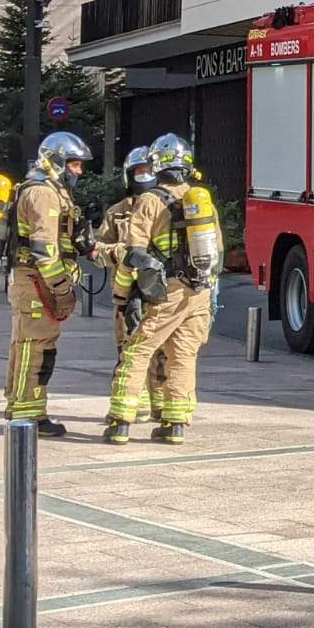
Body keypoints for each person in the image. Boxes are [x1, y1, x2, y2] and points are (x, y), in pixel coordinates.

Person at [104, 134, 223, 446]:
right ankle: (175, 425)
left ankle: (120, 423)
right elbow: (218, 251)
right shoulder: (200, 199)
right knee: (182, 356)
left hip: (166, 291)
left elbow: (133, 255)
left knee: (137, 350)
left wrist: (121, 295)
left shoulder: (149, 201)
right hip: (198, 291)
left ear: (157, 165)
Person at [4, 132, 91, 437]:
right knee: (36, 348)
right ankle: (30, 416)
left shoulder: (48, 189)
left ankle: (20, 407)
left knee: (26, 344)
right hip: (36, 281)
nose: (79, 171)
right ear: (56, 161)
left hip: (32, 280)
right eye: (75, 164)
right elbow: (45, 250)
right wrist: (62, 288)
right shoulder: (43, 193)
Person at [93, 146, 167, 423]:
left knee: (161, 351)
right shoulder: (116, 213)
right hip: (125, 294)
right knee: (128, 350)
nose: (144, 175)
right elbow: (98, 252)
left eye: (148, 170)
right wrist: (122, 254)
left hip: (158, 291)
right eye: (139, 171)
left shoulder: (166, 207)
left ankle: (161, 405)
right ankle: (136, 406)